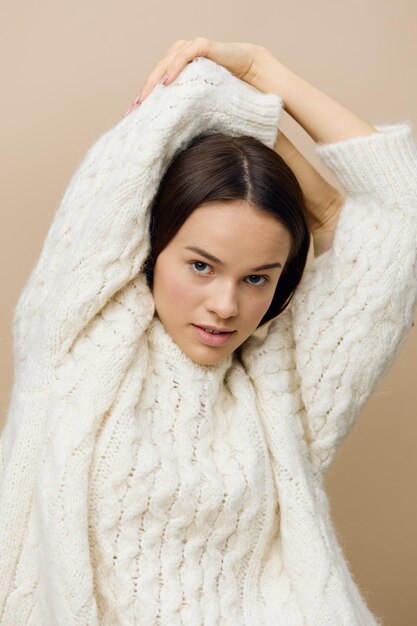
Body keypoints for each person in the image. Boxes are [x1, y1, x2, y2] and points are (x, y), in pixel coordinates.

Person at [1, 38, 416, 625]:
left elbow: (398, 211)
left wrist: (263, 71)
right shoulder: (81, 342)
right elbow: (158, 129)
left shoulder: (286, 390)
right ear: (151, 249)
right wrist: (225, 98)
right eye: (201, 266)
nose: (225, 305)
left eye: (257, 278)